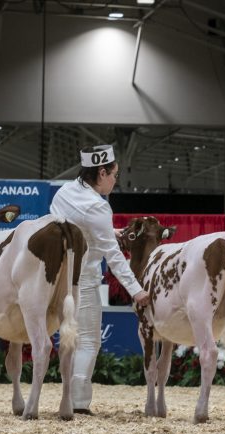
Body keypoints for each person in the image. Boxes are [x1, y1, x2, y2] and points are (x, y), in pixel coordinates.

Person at [50, 144, 150, 415]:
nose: (115, 181)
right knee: (88, 342)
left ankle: (69, 396)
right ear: (102, 172)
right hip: (83, 280)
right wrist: (137, 290)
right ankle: (77, 403)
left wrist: (107, 231)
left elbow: (76, 227)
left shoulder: (65, 192)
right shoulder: (98, 206)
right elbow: (114, 257)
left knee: (68, 339)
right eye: (114, 175)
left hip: (57, 278)